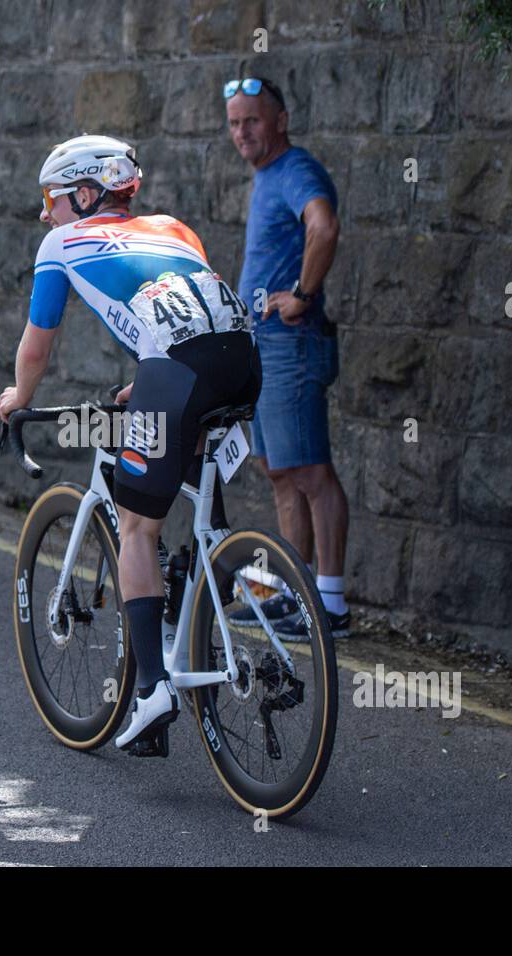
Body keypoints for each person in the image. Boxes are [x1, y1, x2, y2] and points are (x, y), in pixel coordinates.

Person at [0, 135, 261, 755]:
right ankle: (202, 596)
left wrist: (18, 396)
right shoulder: (174, 228)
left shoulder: (61, 244)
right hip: (240, 362)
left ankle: (151, 692)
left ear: (85, 196)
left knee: (139, 529)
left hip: (176, 373)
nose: (45, 213)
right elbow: (187, 312)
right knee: (194, 501)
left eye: (52, 199)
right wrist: (144, 383)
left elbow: (38, 343)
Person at [223, 76, 349, 641]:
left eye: (252, 120)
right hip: (264, 343)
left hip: (290, 343)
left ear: (280, 121)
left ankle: (330, 605)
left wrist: (300, 294)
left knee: (310, 472)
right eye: (233, 122)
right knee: (280, 472)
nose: (241, 131)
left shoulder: (296, 168)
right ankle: (293, 595)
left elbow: (323, 225)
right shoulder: (269, 175)